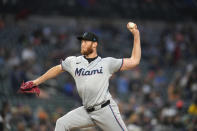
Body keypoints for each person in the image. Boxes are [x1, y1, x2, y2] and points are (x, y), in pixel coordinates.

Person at [30, 22, 141, 131]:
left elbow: (134, 61)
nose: (82, 44)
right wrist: (36, 82)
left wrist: (136, 35)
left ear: (94, 44)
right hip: (87, 111)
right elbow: (57, 69)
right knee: (61, 123)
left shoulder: (107, 63)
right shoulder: (73, 61)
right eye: (82, 42)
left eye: (86, 42)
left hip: (105, 110)